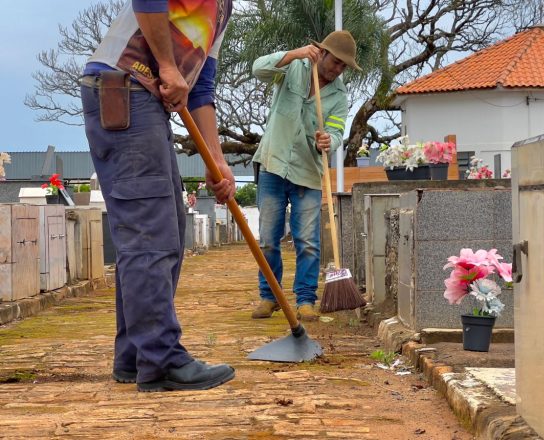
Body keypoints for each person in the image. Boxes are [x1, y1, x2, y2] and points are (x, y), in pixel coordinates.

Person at [80, 0, 236, 392]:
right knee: (150, 230)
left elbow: (200, 86)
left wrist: (216, 161)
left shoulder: (222, 9)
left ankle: (135, 355)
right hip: (125, 87)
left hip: (148, 102)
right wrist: (167, 65)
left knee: (165, 228)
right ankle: (161, 359)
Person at [250, 31, 360, 321]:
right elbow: (258, 68)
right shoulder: (294, 68)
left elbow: (337, 132)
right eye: (335, 62)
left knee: (307, 241)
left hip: (308, 172)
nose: (337, 69)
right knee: (268, 239)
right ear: (321, 53)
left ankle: (305, 300)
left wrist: (330, 141)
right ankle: (268, 296)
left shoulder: (339, 97)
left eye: (343, 66)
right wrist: (294, 54)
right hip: (273, 162)